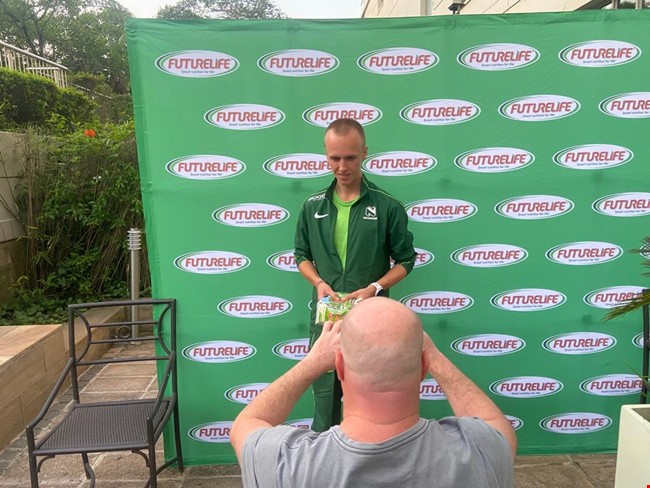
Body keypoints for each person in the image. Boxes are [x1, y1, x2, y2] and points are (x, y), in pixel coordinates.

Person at [230, 297, 517, 488]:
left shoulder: (287, 465)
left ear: (339, 367)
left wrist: (312, 362)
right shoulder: (481, 452)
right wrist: (433, 355)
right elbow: (497, 426)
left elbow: (246, 424)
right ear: (423, 368)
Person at [293, 117, 417, 431]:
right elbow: (301, 256)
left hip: (372, 318)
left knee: (373, 398)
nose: (342, 166)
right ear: (326, 155)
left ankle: (372, 454)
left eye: (350, 157)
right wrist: (318, 283)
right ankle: (325, 453)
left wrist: (374, 287)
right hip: (327, 318)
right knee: (325, 396)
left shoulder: (388, 206)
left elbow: (406, 261)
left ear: (364, 152)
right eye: (334, 158)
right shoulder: (312, 207)